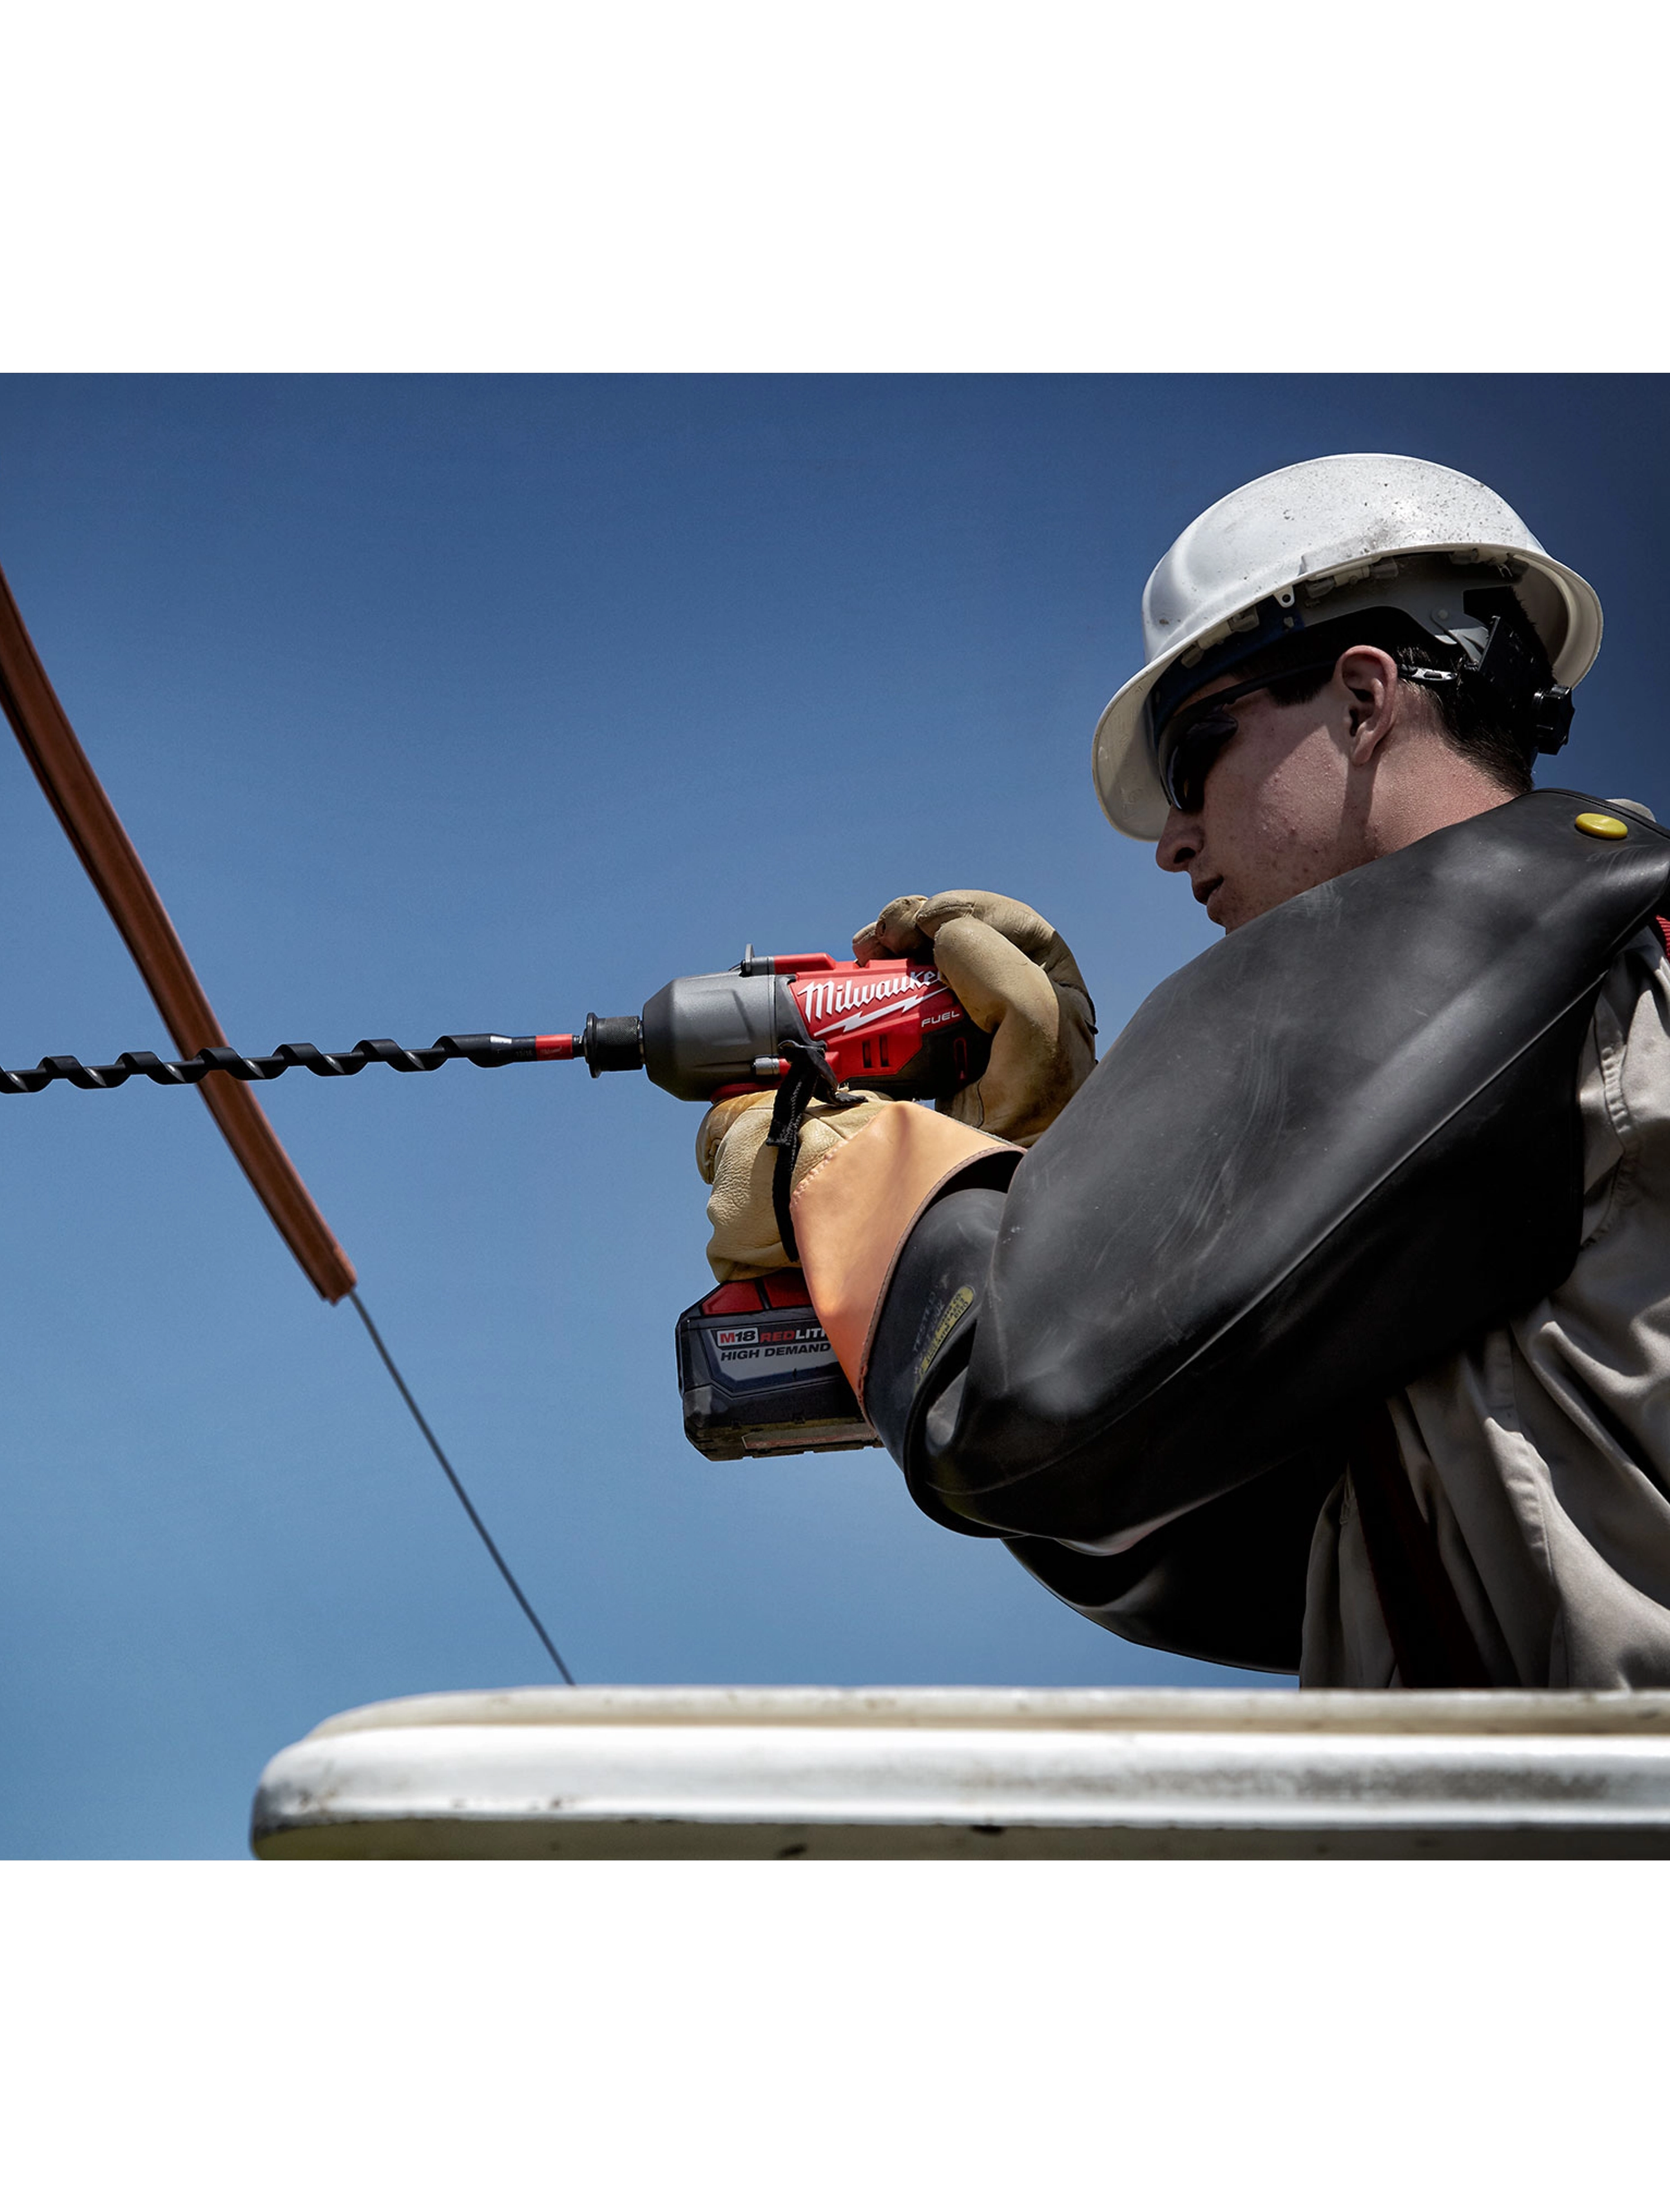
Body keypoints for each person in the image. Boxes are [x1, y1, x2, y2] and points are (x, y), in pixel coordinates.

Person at [699, 454, 1670, 1686]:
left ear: (1365, 699)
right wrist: (1078, 1196)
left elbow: (1022, 1411)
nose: (1170, 840)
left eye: (1193, 748)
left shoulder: (1501, 914)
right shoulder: (1582, 1004)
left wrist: (842, 1171)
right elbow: (1189, 1519)